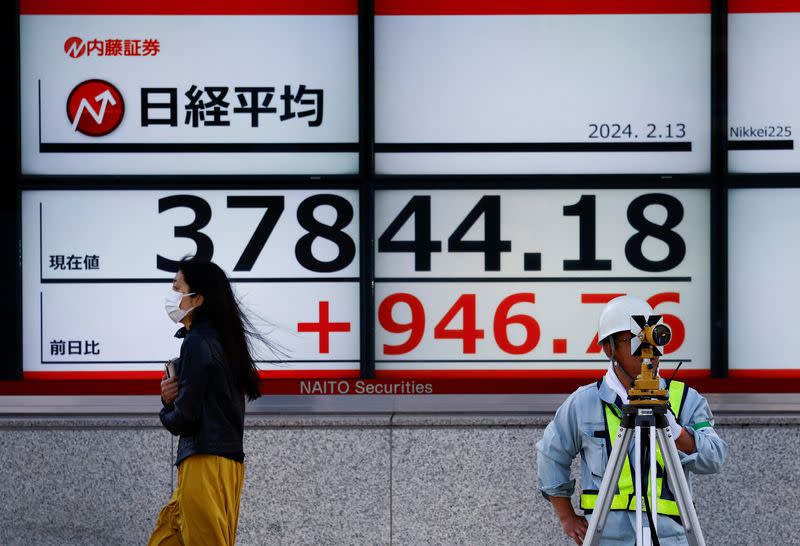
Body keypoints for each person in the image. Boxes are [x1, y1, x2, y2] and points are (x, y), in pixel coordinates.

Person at [536, 295, 728, 545]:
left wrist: (674, 428)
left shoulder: (685, 399)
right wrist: (567, 518)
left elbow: (714, 458)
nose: (646, 350)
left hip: (670, 537)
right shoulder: (584, 402)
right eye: (632, 340)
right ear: (609, 348)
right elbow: (551, 455)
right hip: (608, 538)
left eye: (647, 338)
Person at [148, 260, 264, 546]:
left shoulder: (198, 343)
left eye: (177, 288)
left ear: (198, 299)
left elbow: (184, 420)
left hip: (204, 463)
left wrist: (166, 404)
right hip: (221, 463)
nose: (171, 295)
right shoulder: (222, 341)